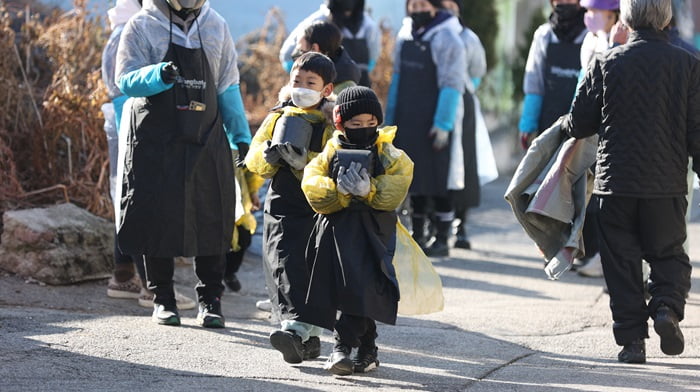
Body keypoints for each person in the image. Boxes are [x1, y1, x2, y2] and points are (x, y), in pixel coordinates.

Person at [561, 0, 700, 364]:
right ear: (666, 17)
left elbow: (579, 123)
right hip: (666, 187)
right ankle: (666, 309)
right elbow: (698, 133)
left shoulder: (607, 62)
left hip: (615, 185)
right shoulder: (689, 65)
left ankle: (632, 343)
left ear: (626, 17)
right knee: (668, 254)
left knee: (621, 264)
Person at [115, 0, 251, 327]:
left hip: (206, 138)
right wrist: (157, 76)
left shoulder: (216, 25)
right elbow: (126, 79)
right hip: (154, 140)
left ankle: (211, 301)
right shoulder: (142, 24)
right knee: (157, 216)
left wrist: (241, 135)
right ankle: (163, 299)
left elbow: (227, 85)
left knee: (212, 215)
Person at [301, 86, 413, 375]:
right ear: (341, 124)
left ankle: (341, 348)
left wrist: (370, 190)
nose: (364, 129)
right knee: (355, 288)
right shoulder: (331, 150)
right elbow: (311, 180)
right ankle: (368, 349)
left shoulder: (387, 151)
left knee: (363, 285)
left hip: (375, 230)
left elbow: (400, 181)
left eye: (370, 123)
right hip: (338, 228)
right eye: (355, 124)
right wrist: (336, 191)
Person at [101, 0, 197, 311]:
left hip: (124, 127)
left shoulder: (122, 28)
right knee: (142, 204)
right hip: (131, 127)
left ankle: (123, 277)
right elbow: (124, 86)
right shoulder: (136, 29)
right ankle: (151, 289)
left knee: (126, 200)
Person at [245, 52, 336, 364]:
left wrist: (305, 163)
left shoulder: (329, 121)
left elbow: (334, 162)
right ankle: (301, 334)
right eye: (297, 80)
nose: (301, 87)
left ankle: (300, 331)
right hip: (281, 202)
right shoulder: (279, 114)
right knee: (281, 258)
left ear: (326, 89)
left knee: (307, 265)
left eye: (310, 82)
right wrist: (267, 159)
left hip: (315, 206)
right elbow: (253, 155)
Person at [385, 0, 466, 257]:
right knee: (413, 178)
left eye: (423, 4)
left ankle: (442, 237)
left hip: (433, 122)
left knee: (437, 179)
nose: (417, 10)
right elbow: (397, 78)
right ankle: (417, 235)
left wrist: (442, 124)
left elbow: (452, 84)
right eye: (413, 5)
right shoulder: (405, 32)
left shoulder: (448, 37)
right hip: (407, 119)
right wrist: (390, 118)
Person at [441, 0, 487, 250]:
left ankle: (460, 223)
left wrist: (463, 90)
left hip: (462, 104)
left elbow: (478, 71)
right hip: (432, 102)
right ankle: (433, 220)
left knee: (464, 162)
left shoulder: (468, 38)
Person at [519, 0, 587, 149]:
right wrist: (528, 123)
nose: (564, 2)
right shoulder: (544, 35)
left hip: (579, 129)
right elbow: (534, 83)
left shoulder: (590, 37)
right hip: (547, 124)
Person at [279, 0, 381, 87]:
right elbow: (287, 56)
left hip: (360, 88)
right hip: (320, 90)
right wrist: (304, 76)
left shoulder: (368, 26)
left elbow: (373, 58)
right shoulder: (316, 22)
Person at [223, 165, 263, 292]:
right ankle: (212, 285)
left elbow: (248, 168)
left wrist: (253, 192)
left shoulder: (240, 145)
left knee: (243, 237)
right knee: (217, 241)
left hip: (239, 196)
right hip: (214, 193)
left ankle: (229, 272)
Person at [294, 20, 362, 94]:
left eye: (301, 50)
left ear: (314, 49)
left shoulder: (342, 92)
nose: (297, 57)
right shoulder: (340, 77)